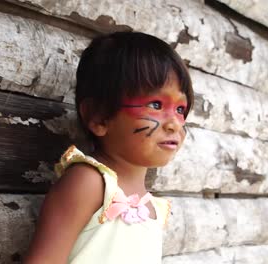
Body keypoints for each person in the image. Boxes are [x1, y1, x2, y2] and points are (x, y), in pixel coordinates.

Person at [25, 31, 194, 264]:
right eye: (156, 104)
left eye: (180, 109)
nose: (174, 123)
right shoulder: (89, 183)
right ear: (100, 117)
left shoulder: (151, 206)